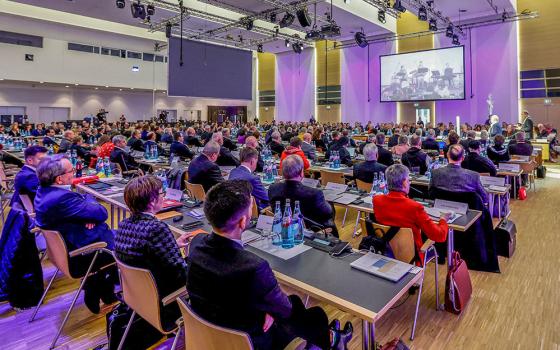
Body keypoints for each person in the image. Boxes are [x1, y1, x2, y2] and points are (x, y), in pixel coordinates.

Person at [186, 180, 351, 350]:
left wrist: (265, 311)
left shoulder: (196, 245)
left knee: (294, 304)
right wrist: (266, 314)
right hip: (251, 341)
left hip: (207, 332)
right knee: (316, 315)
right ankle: (333, 339)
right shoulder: (254, 268)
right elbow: (285, 310)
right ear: (243, 222)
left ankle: (332, 338)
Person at [34, 155, 117, 313]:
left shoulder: (43, 191)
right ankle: (100, 289)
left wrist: (85, 214)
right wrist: (89, 205)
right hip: (79, 256)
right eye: (71, 170)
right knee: (130, 243)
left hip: (66, 249)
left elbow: (88, 210)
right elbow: (102, 212)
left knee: (114, 235)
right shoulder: (63, 198)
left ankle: (105, 291)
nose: (75, 173)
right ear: (59, 179)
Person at [115, 176, 191, 329]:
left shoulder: (124, 225)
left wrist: (173, 244)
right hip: (164, 299)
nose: (164, 197)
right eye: (162, 194)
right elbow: (180, 272)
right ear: (152, 202)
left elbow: (143, 256)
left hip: (138, 296)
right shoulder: (156, 228)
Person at [373, 164, 450, 259]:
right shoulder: (415, 207)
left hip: (386, 252)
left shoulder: (376, 200)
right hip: (412, 257)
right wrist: (443, 220)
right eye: (408, 180)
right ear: (405, 182)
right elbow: (439, 236)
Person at [269, 155, 337, 236]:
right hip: (310, 232)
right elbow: (328, 213)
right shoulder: (315, 194)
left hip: (282, 230)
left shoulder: (272, 188)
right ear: (301, 172)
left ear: (283, 172)